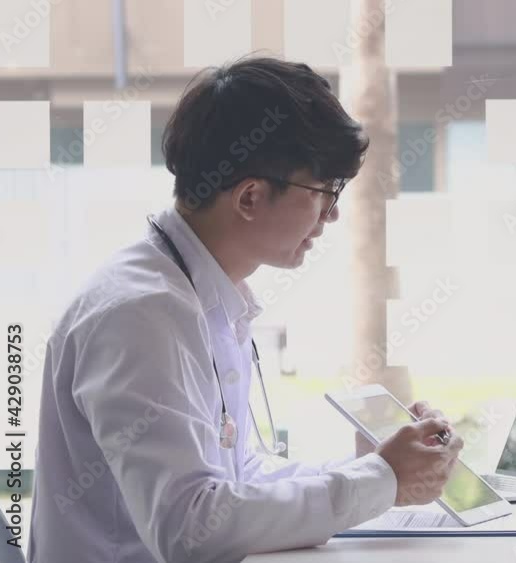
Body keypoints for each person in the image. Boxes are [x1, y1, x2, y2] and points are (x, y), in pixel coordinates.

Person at [30, 57, 463, 563]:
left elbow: (240, 480)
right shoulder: (142, 314)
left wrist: (374, 468)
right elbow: (190, 526)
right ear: (251, 197)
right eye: (325, 189)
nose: (333, 213)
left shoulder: (198, 295)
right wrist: (379, 480)